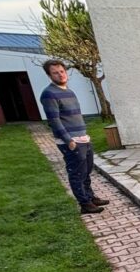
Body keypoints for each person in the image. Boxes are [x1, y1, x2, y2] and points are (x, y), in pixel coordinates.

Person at [39, 59, 109, 214]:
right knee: (77, 173)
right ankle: (85, 204)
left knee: (86, 170)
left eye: (62, 71)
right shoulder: (49, 94)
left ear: (66, 72)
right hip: (71, 141)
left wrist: (84, 134)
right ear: (49, 75)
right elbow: (54, 120)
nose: (60, 75)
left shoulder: (68, 91)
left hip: (83, 137)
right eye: (55, 73)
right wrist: (68, 140)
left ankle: (90, 197)